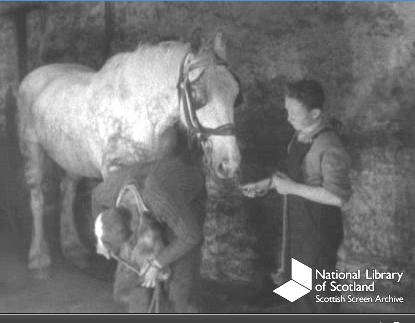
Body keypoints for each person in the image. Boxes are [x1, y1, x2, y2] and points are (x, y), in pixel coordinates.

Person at [242, 79, 351, 313]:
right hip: (300, 226)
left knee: (318, 292)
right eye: (287, 110)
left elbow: (339, 197)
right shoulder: (299, 136)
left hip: (320, 230)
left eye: (294, 112)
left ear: (315, 113)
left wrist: (290, 189)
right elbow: (293, 177)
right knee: (300, 287)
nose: (288, 117)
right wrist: (269, 184)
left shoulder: (329, 146)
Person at [91, 149, 206, 313]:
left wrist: (157, 263)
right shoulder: (110, 192)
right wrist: (101, 241)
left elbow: (191, 236)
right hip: (155, 201)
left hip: (187, 200)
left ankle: (184, 306)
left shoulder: (159, 200)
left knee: (179, 281)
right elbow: (95, 196)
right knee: (138, 268)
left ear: (134, 226)